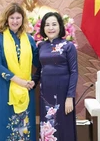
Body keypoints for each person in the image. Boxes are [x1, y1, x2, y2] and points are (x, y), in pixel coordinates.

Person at [0, 2, 39, 141]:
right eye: (12, 18)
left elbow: (38, 62)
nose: (15, 21)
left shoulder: (28, 39)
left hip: (26, 89)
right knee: (4, 124)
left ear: (23, 19)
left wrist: (34, 80)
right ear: (6, 19)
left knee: (23, 127)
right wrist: (20, 81)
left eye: (18, 18)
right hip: (4, 87)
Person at [32, 12, 78, 141]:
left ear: (60, 27)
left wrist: (70, 97)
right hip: (46, 93)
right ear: (43, 28)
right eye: (47, 25)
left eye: (54, 24)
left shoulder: (69, 46)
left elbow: (74, 72)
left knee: (64, 125)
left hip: (63, 93)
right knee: (47, 125)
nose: (50, 28)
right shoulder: (41, 46)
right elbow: (40, 68)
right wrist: (32, 82)